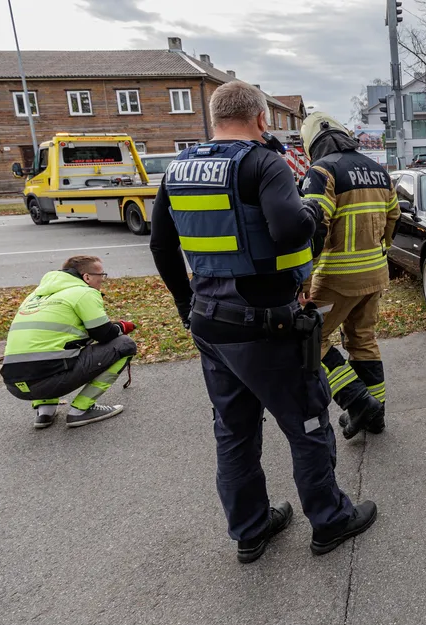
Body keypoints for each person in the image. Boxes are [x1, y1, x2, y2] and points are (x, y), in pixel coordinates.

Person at [148, 81, 376, 563]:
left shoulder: (179, 168)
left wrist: (186, 306)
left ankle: (250, 531)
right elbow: (291, 228)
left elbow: (161, 246)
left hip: (210, 322)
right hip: (267, 324)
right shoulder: (261, 161)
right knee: (308, 422)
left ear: (214, 118)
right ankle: (330, 521)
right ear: (261, 119)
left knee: (234, 432)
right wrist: (313, 211)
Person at [298, 112, 400, 440]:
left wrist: (303, 281)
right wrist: (380, 249)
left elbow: (310, 226)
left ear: (313, 144)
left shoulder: (322, 171)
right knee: (363, 340)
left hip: (335, 279)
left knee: (310, 341)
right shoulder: (378, 171)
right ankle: (376, 416)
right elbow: (393, 217)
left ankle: (357, 402)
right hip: (375, 273)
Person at [1, 255, 138, 429]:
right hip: (50, 382)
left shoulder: (34, 296)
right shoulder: (83, 292)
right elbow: (104, 334)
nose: (102, 281)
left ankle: (45, 411)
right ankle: (81, 410)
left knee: (46, 347)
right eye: (101, 276)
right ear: (87, 277)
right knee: (124, 345)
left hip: (15, 385)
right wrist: (121, 326)